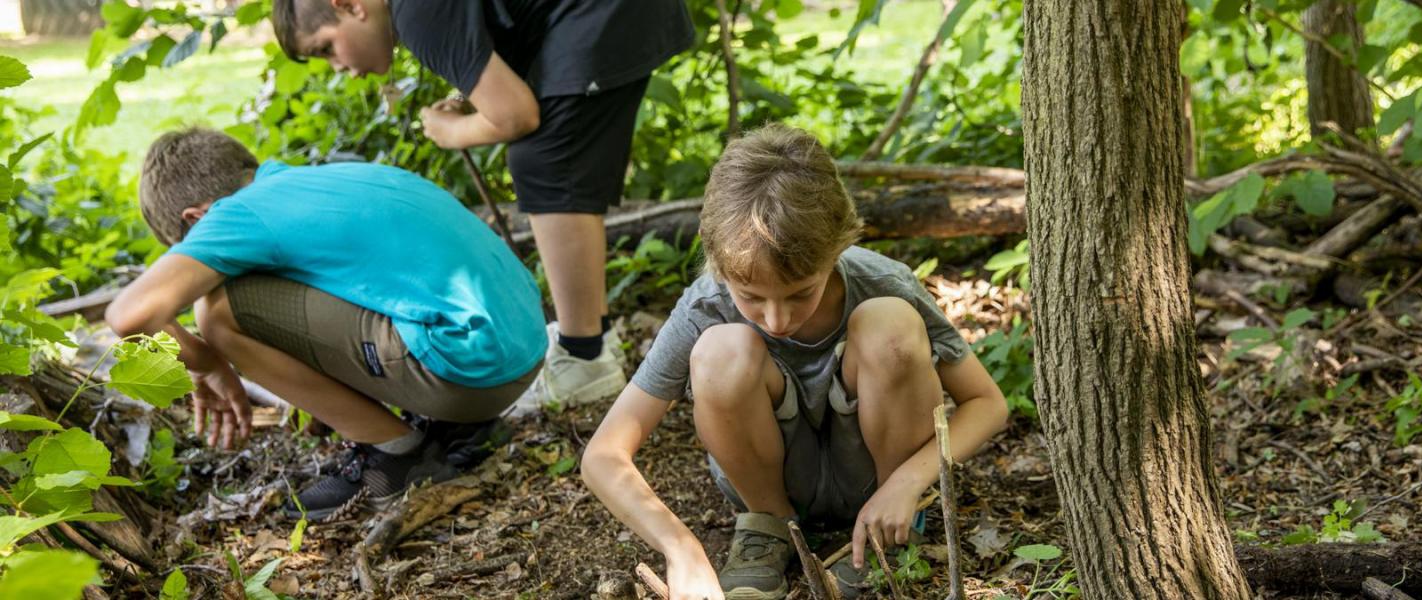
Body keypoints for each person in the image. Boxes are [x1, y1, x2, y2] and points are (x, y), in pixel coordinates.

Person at [580, 125, 1010, 599]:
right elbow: (603, 455)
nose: (777, 318)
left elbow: (986, 401)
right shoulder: (706, 305)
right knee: (722, 351)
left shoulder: (882, 281)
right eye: (751, 297)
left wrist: (909, 481)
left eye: (802, 292)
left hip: (885, 478)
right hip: (774, 483)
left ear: (837, 249)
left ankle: (889, 530)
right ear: (720, 267)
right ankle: (767, 528)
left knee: (889, 325)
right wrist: (681, 549)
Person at [270, 0, 695, 409]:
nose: (339, 67)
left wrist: (449, 130)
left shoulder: (415, 13)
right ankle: (589, 341)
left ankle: (585, 360)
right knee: (555, 155)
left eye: (326, 48)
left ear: (350, 5)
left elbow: (516, 117)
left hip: (606, 11)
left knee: (544, 159)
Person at [105, 128, 546, 521]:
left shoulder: (233, 215)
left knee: (218, 311)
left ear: (195, 221)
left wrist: (206, 363)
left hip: (467, 375)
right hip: (521, 354)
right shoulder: (323, 181)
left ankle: (394, 455)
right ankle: (445, 428)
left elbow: (129, 317)